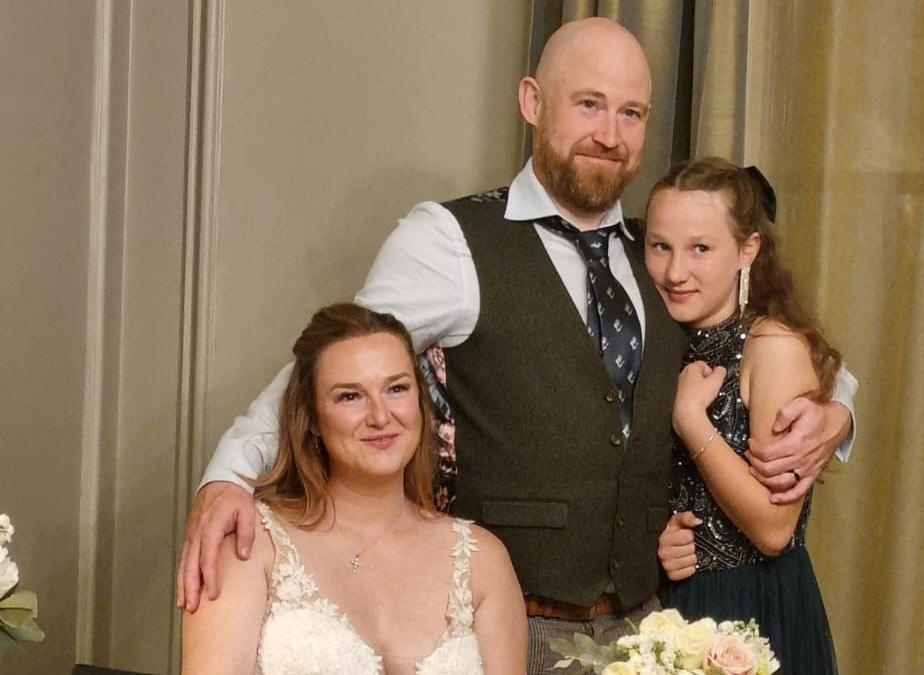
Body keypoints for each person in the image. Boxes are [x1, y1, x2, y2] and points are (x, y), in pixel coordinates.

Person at [178, 18, 857, 672]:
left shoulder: (662, 253)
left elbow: (763, 338)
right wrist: (227, 475)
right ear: (532, 101)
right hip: (517, 627)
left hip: (655, 625)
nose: (610, 135)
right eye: (589, 105)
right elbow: (333, 364)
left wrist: (839, 412)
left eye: (632, 114)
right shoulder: (450, 240)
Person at [182, 304, 526, 673]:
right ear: (312, 418)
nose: (380, 416)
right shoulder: (249, 546)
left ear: (421, 403)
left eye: (396, 388)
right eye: (350, 396)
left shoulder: (483, 561)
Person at [648, 159, 839, 673]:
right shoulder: (657, 343)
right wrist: (654, 539)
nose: (675, 271)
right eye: (660, 246)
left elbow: (775, 528)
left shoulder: (771, 345)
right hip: (669, 610)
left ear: (747, 250)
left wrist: (692, 421)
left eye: (701, 249)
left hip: (757, 608)